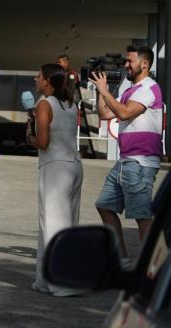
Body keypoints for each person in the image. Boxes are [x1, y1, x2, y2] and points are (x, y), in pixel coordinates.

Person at [91, 45, 163, 260]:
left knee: (142, 215)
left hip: (140, 163)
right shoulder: (129, 91)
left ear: (144, 64)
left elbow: (123, 112)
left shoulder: (150, 88)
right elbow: (105, 114)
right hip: (125, 161)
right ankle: (121, 260)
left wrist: (105, 92)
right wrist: (101, 89)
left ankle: (151, 266)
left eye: (129, 61)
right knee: (104, 206)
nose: (125, 66)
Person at [27, 63, 83, 296]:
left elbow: (42, 142)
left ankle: (61, 284)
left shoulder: (43, 104)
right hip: (74, 165)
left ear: (48, 81)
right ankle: (44, 279)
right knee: (67, 225)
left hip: (55, 168)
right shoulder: (71, 104)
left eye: (38, 76)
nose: (35, 79)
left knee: (51, 225)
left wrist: (28, 135)